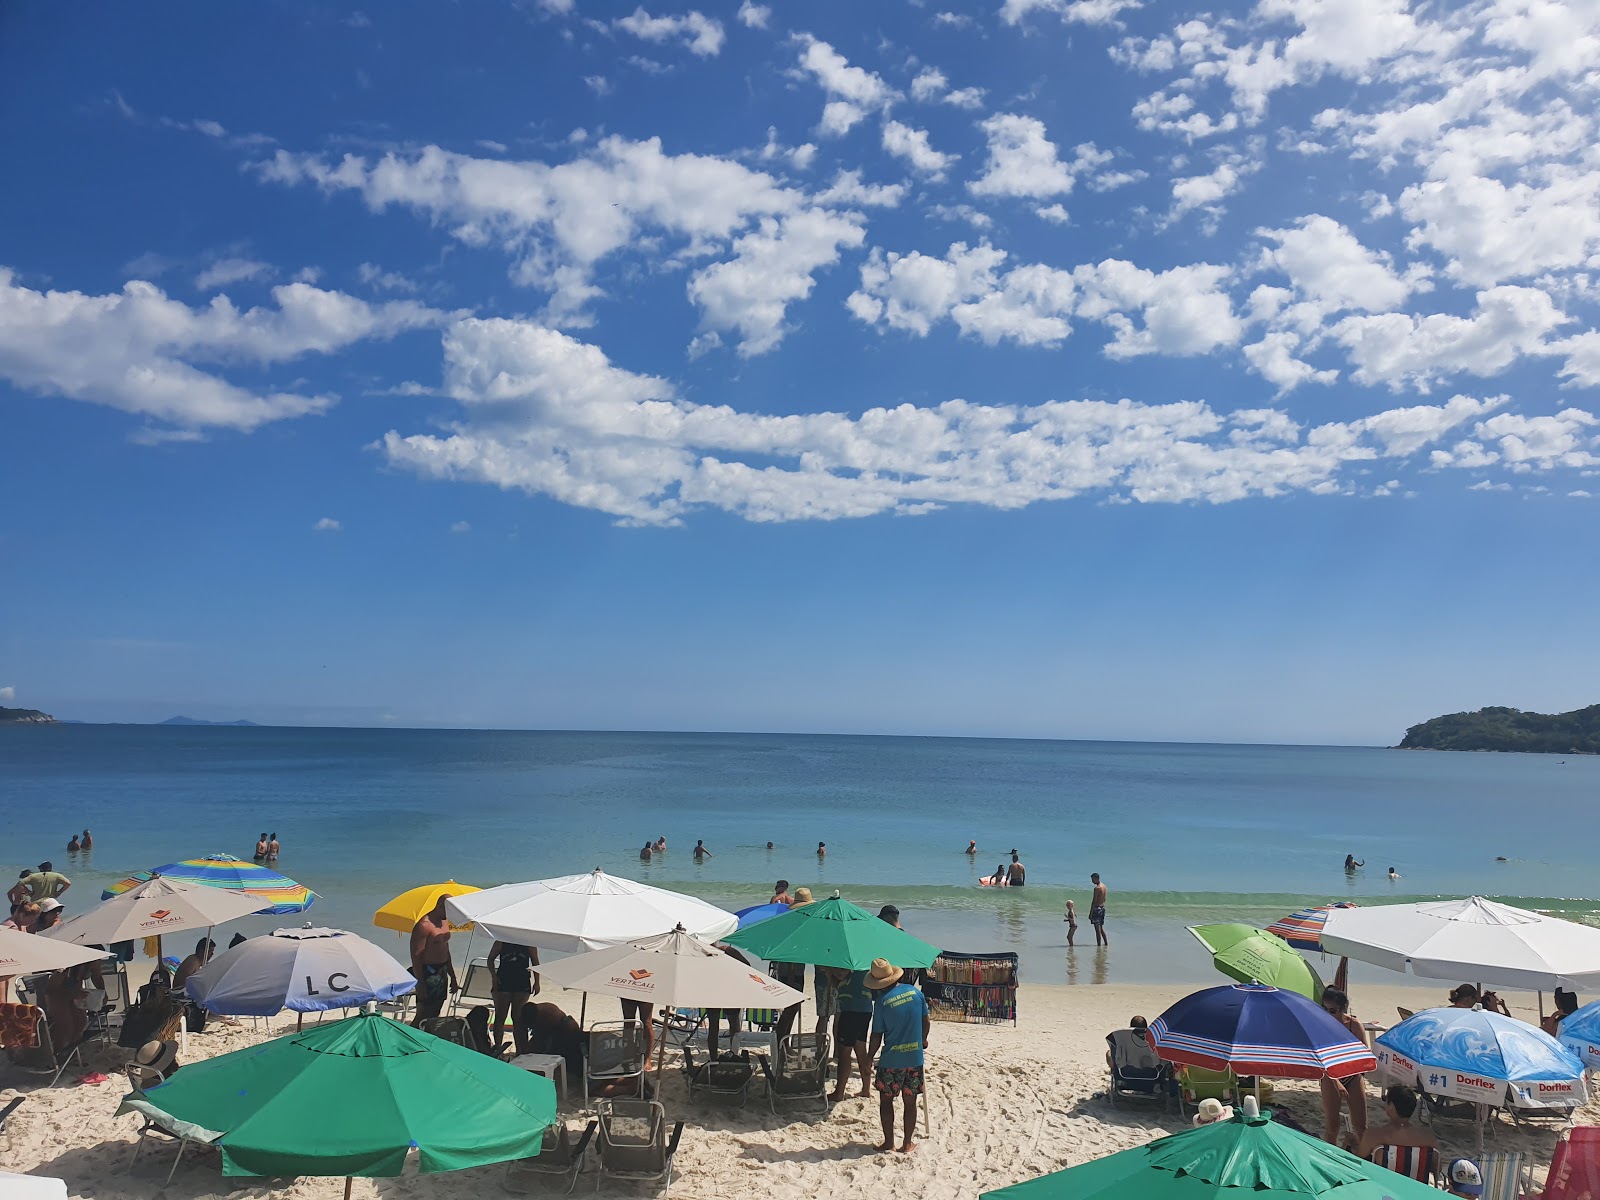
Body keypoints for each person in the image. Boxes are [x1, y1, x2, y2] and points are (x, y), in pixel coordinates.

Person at [865, 957, 930, 1154]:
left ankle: (889, 1142)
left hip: (891, 1061)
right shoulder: (916, 993)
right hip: (914, 1059)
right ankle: (908, 1143)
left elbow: (876, 1035)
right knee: (910, 1102)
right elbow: (926, 1021)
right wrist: (923, 1040)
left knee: (886, 1101)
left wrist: (868, 1058)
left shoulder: (883, 1003)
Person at [1317, 987, 1369, 1148]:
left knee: (1361, 1126)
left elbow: (1364, 1055)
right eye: (1324, 1009)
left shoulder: (1354, 1025)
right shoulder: (1321, 1025)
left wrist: (1352, 1072)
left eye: (1332, 1010)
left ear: (1342, 1008)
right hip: (1329, 1075)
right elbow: (1320, 1058)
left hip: (1352, 1075)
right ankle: (1329, 1158)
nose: (1328, 1014)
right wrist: (1336, 1081)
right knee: (1332, 1126)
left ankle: (1365, 1159)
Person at [1357, 1085, 1437, 1167]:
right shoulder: (1428, 1137)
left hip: (1384, 1179)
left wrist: (1351, 1142)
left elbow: (1358, 1158)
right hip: (1414, 1180)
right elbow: (1437, 1168)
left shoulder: (1373, 1135)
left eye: (1385, 1099)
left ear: (1391, 1105)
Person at [409, 898, 458, 1027]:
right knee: (424, 1013)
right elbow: (416, 956)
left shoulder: (444, 922)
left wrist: (453, 976)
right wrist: (420, 983)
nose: (450, 914)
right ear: (440, 906)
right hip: (428, 971)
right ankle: (408, 1040)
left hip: (442, 970)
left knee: (436, 1011)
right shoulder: (424, 925)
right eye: (449, 910)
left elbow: (445, 950)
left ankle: (426, 1040)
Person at [831, 964, 876, 1100]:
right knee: (861, 1050)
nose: (839, 972)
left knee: (844, 1052)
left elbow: (842, 981)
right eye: (837, 969)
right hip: (865, 1011)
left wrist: (831, 973)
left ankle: (839, 1093)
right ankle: (866, 1089)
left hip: (851, 1011)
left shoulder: (854, 969)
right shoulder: (864, 967)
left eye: (842, 968)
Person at [487, 939, 539, 1053]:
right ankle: (498, 1047)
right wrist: (494, 977)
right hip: (503, 981)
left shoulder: (528, 942)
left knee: (518, 1018)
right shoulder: (501, 941)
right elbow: (490, 959)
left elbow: (535, 962)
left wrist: (537, 982)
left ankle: (520, 1050)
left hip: (522, 982)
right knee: (500, 1016)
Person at [520, 1001, 586, 1078]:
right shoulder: (532, 1013)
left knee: (552, 1049)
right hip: (555, 1029)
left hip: (565, 1029)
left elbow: (547, 1038)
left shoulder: (550, 1014)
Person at [707, 944, 750, 1057]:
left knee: (715, 1025)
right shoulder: (727, 951)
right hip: (728, 990)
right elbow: (747, 966)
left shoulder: (706, 954)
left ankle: (715, 1057)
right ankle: (733, 1054)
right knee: (732, 1023)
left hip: (715, 991)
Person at [1090, 872, 1109, 945]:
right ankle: (1106, 943)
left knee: (1097, 930)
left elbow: (1094, 901)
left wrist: (1091, 913)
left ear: (1096, 879)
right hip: (1102, 908)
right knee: (1101, 928)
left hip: (1097, 909)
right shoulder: (1104, 886)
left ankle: (1099, 945)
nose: (1092, 881)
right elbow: (1104, 899)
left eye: (1093, 880)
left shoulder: (1097, 888)